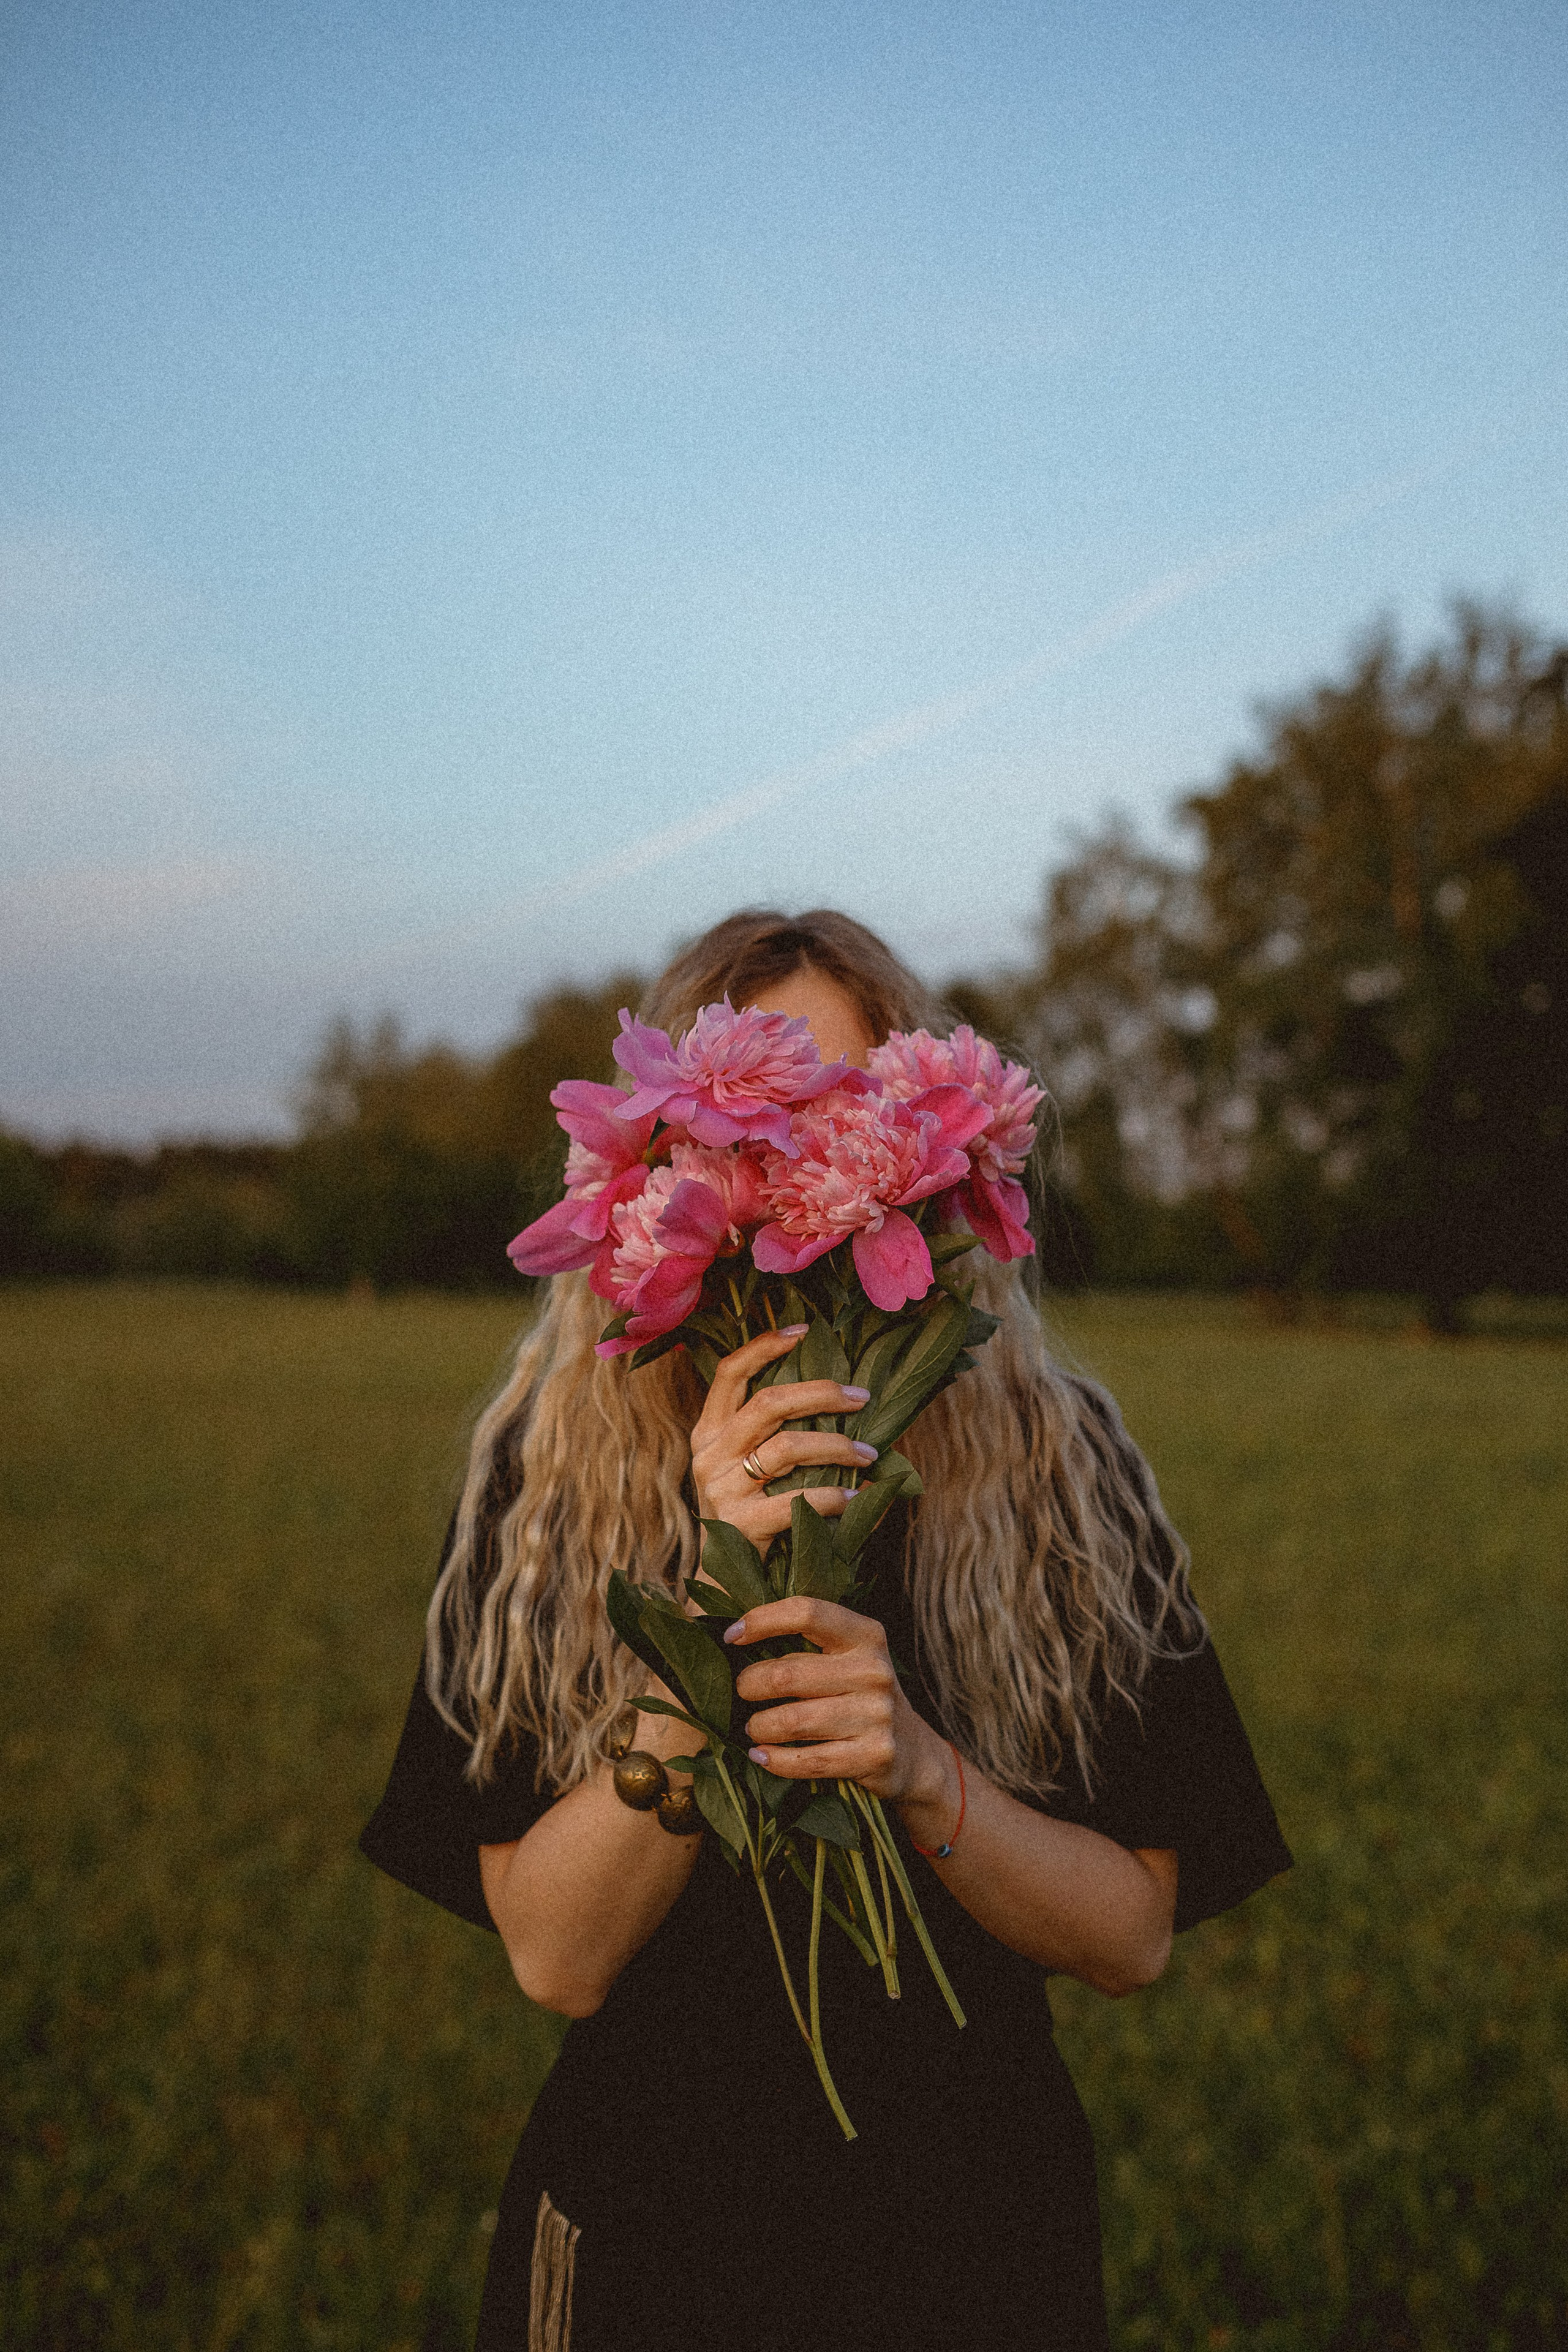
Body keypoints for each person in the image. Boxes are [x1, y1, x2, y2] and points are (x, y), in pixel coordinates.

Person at [361, 907, 1291, 2352]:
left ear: (924, 1141)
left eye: (843, 1107)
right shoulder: (546, 1473)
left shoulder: (1058, 1464)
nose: (802, 1164)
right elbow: (557, 1959)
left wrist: (923, 1773)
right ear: (665, 1160)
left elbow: (1132, 1939)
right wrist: (716, 1587)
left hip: (974, 2232)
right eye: (759, 1121)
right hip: (650, 2229)